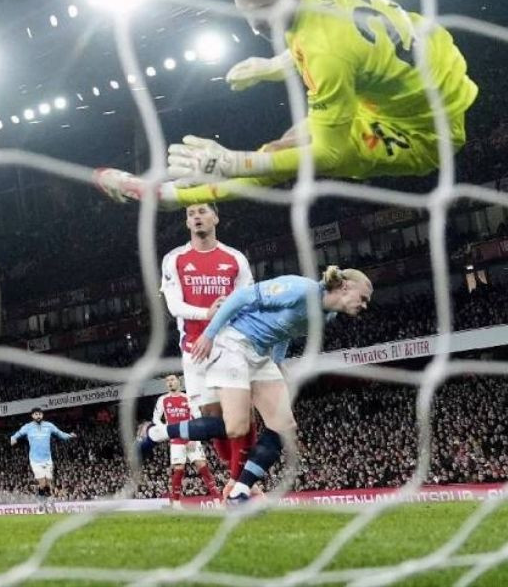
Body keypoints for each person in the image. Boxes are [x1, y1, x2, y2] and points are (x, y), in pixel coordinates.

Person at [95, 0, 478, 207]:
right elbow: (336, 45)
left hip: (425, 132)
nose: (256, 23)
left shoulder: (327, 55)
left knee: (293, 155)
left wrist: (236, 163)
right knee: (286, 144)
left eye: (264, 9)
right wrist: (272, 66)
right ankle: (202, 177)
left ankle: (168, 199)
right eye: (246, 12)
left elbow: (329, 152)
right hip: (426, 70)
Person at [143, 266, 372, 503]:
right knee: (235, 428)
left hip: (260, 354)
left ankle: (240, 491)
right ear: (345, 286)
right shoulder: (300, 289)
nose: (364, 305)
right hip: (234, 342)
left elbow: (286, 332)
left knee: (284, 426)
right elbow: (242, 296)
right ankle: (156, 432)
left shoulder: (327, 316)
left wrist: (278, 363)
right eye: (363, 298)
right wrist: (209, 334)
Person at [159, 203, 256, 485]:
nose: (196, 217)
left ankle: (241, 484)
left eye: (202, 211)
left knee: (241, 417)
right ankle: (235, 478)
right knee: (213, 420)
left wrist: (226, 315)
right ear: (187, 223)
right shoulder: (174, 259)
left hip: (230, 347)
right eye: (191, 214)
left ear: (215, 217)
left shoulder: (235, 258)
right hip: (195, 351)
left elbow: (248, 300)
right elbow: (174, 306)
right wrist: (208, 313)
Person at [149, 375, 221, 506]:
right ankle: (176, 503)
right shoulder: (163, 400)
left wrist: (194, 435)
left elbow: (197, 416)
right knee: (178, 469)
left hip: (191, 437)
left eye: (172, 380)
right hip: (176, 440)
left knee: (203, 467)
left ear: (179, 381)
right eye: (167, 381)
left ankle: (217, 500)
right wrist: (166, 429)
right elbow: (155, 419)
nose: (170, 382)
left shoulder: (187, 398)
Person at [9, 408, 75, 508]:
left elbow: (60, 433)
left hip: (47, 459)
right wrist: (13, 438)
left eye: (40, 414)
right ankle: (42, 501)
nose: (38, 416)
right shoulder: (28, 427)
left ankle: (46, 500)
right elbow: (18, 434)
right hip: (35, 460)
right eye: (36, 414)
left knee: (48, 483)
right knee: (42, 483)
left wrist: (69, 436)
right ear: (32, 416)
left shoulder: (49, 425)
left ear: (42, 415)